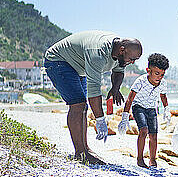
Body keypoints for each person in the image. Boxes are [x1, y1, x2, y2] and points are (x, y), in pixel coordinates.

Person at [44, 31, 142, 165]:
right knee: (78, 105)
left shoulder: (120, 53)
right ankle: (80, 153)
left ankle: (85, 150)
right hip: (59, 61)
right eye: (131, 59)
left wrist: (115, 88)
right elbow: (94, 91)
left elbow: (118, 71)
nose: (132, 62)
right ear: (122, 50)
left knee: (82, 106)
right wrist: (100, 121)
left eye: (135, 60)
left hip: (79, 67)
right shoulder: (98, 53)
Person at [119, 53, 170, 168]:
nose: (159, 77)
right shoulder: (140, 81)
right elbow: (130, 98)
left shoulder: (163, 83)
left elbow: (163, 96)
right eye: (157, 73)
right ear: (148, 70)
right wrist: (125, 117)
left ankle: (152, 160)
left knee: (154, 135)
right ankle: (140, 159)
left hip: (152, 108)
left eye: (162, 74)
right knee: (143, 130)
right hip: (139, 107)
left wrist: (167, 110)